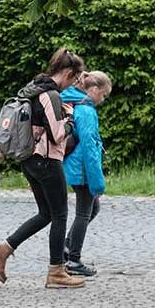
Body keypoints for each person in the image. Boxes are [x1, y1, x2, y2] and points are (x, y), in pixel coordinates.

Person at [0, 48, 87, 289]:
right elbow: (58, 134)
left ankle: (3, 249)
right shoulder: (49, 95)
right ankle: (56, 271)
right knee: (60, 214)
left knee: (46, 213)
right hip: (47, 161)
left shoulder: (32, 88)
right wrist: (70, 120)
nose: (72, 85)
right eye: (74, 79)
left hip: (29, 160)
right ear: (68, 73)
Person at [61, 70, 111, 277]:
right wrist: (97, 184)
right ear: (94, 89)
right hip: (82, 169)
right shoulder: (87, 111)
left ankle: (67, 246)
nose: (103, 99)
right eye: (103, 95)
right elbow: (90, 149)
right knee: (84, 212)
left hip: (73, 166)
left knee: (93, 209)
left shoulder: (74, 103)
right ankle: (74, 259)